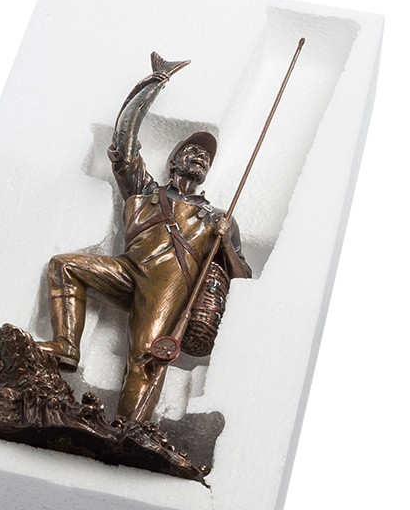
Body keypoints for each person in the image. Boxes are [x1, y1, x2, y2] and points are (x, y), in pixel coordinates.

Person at [36, 52, 251, 423]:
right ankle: (66, 346)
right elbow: (125, 139)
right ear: (174, 160)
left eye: (206, 157)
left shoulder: (219, 219)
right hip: (129, 271)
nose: (200, 157)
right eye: (192, 151)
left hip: (168, 287)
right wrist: (155, 83)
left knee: (146, 357)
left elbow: (242, 275)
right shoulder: (144, 191)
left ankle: (129, 428)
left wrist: (225, 240)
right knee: (65, 266)